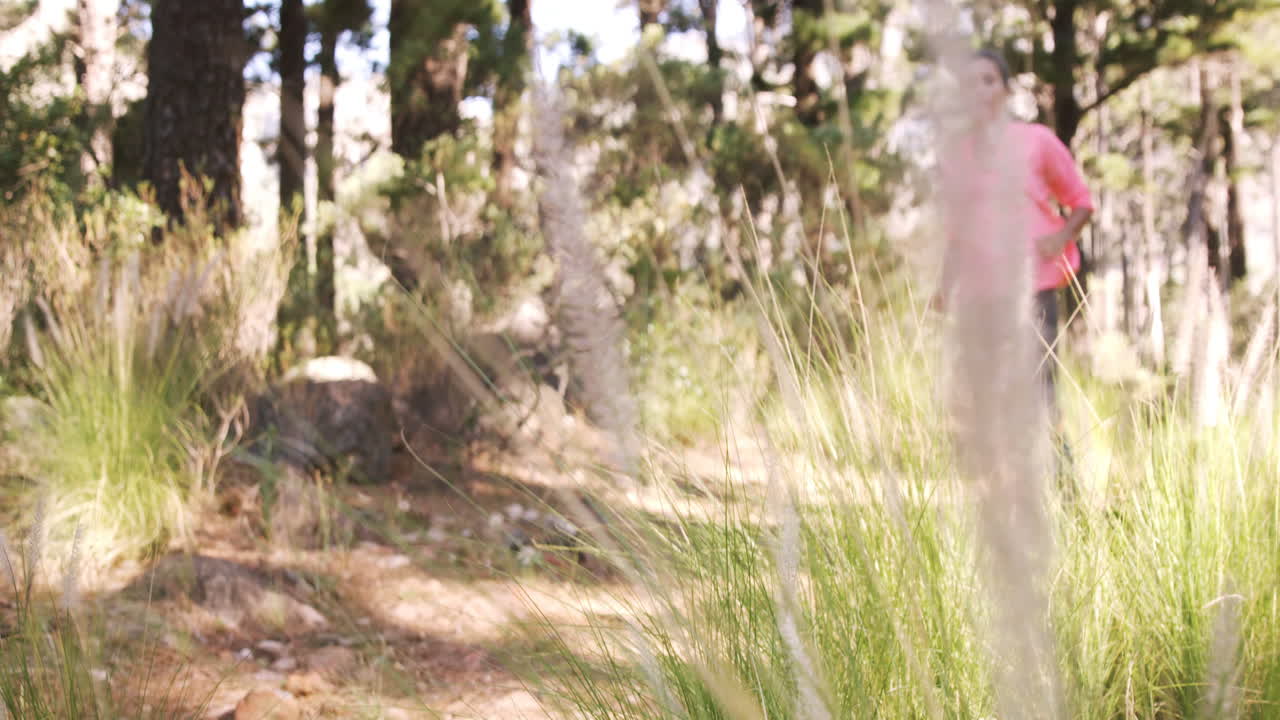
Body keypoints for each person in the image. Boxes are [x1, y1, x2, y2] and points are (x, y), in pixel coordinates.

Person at [932, 48, 1094, 422]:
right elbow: (957, 233)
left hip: (1033, 287)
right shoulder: (957, 156)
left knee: (1040, 388)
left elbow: (1081, 201)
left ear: (1005, 90)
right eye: (969, 84)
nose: (979, 91)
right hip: (979, 293)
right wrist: (943, 288)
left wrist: (1060, 237)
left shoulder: (1037, 141)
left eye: (988, 80)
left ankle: (1061, 477)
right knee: (983, 395)